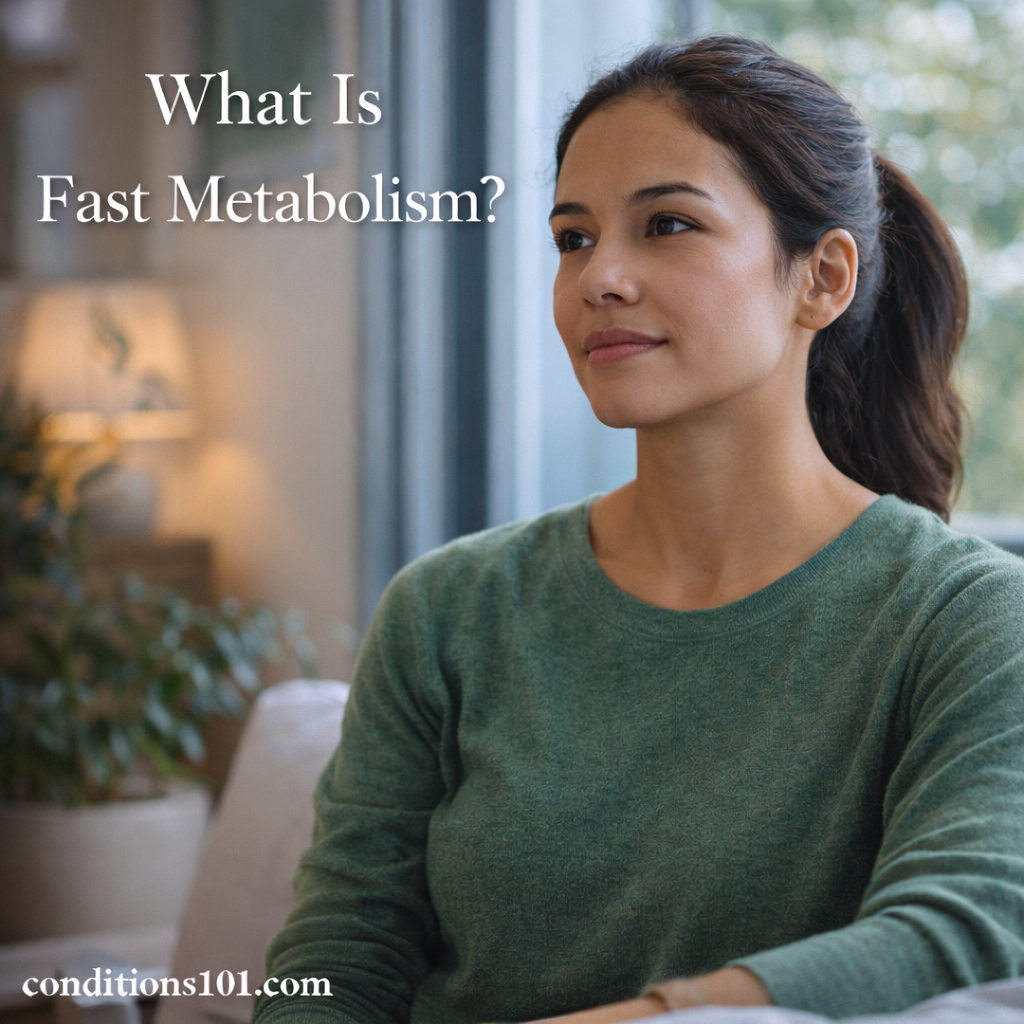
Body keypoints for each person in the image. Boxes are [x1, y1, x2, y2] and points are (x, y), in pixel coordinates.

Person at [252, 36, 1024, 1024]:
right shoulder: (446, 609)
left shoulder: (963, 619)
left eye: (665, 224)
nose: (598, 279)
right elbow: (336, 957)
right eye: (573, 238)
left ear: (822, 277)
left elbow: (963, 925)